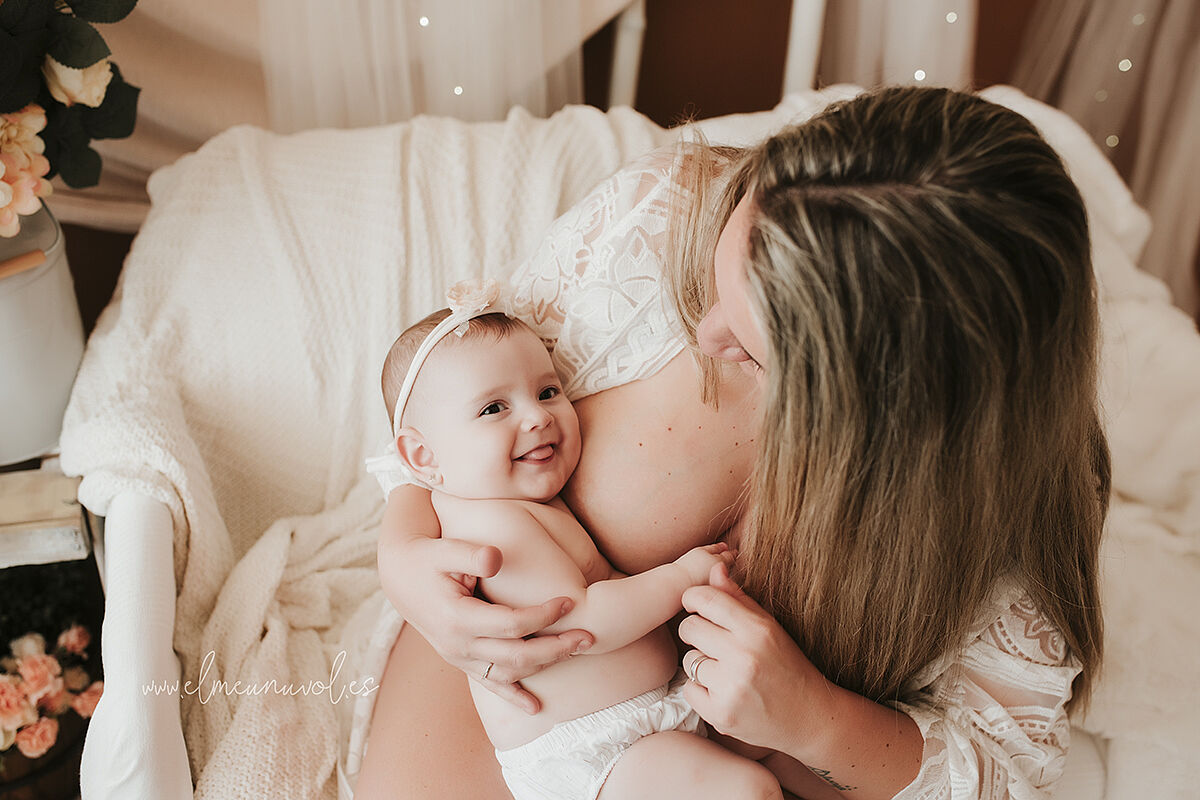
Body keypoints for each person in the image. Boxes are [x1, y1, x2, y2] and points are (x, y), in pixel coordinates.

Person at [352, 86, 1109, 800]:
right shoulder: (659, 222)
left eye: (755, 343)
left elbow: (1004, 771)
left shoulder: (998, 520)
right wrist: (406, 556)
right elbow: (444, 402)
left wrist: (817, 719)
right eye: (717, 284)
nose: (706, 334)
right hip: (502, 693)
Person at [370, 287, 780, 799]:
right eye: (494, 408)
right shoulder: (489, 534)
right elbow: (583, 621)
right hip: (599, 751)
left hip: (649, 719)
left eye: (547, 392)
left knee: (780, 762)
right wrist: (681, 576)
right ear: (423, 457)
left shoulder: (520, 505)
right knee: (746, 790)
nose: (538, 416)